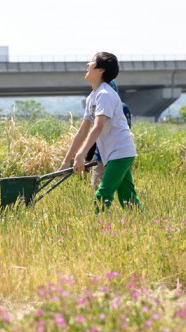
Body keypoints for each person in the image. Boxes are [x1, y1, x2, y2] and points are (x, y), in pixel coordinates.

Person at [59, 52, 141, 212]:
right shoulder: (93, 97)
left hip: (121, 151)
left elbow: (97, 127)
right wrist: (66, 161)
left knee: (102, 195)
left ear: (100, 70)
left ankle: (97, 230)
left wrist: (81, 155)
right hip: (112, 153)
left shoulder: (104, 95)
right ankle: (145, 225)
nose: (87, 65)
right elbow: (82, 131)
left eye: (91, 62)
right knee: (128, 198)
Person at [89, 80, 132, 189]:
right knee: (124, 189)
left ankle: (101, 206)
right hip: (121, 154)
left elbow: (96, 133)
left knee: (99, 189)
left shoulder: (100, 106)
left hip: (104, 156)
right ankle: (129, 206)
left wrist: (88, 157)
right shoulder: (123, 107)